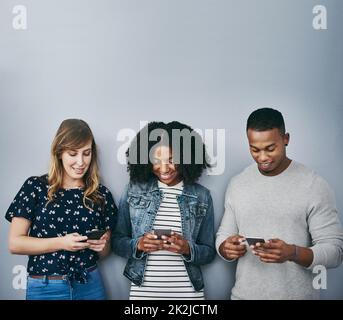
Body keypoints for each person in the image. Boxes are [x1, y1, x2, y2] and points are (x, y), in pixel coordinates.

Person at [216, 108, 343, 300]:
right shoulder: (238, 183)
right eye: (255, 149)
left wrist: (292, 252)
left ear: (286, 139)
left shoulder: (314, 185)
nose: (263, 157)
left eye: (270, 148)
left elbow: (335, 252)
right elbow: (223, 237)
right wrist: (226, 248)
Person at [6, 119, 117, 300]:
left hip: (90, 285)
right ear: (59, 153)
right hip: (45, 288)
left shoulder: (101, 194)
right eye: (73, 154)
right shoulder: (35, 187)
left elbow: (105, 253)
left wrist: (101, 246)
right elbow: (15, 244)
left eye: (86, 153)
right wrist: (62, 243)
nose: (80, 162)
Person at [112, 121, 215, 300]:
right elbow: (117, 241)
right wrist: (138, 245)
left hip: (188, 295)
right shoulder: (133, 191)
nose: (164, 168)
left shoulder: (202, 196)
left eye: (172, 160)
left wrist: (187, 249)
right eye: (156, 160)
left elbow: (209, 252)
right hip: (143, 295)